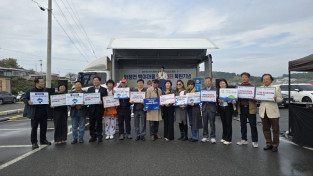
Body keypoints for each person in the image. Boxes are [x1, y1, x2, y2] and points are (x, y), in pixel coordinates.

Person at [23, 77, 51, 149]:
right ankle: (34, 142)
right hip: (35, 111)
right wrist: (28, 102)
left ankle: (43, 140)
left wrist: (48, 101)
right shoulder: (30, 90)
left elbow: (48, 99)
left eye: (43, 82)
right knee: (34, 127)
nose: (43, 83)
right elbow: (24, 98)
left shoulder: (45, 90)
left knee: (44, 127)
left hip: (44, 111)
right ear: (37, 83)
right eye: (41, 82)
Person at [259, 74, 282, 152]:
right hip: (263, 111)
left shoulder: (276, 88)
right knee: (265, 129)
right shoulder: (260, 89)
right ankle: (268, 143)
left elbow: (280, 100)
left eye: (267, 79)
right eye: (264, 79)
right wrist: (256, 99)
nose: (265, 80)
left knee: (275, 129)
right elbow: (259, 100)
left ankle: (275, 145)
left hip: (273, 112)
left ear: (271, 80)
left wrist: (275, 99)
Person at [236, 72, 259, 148]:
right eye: (243, 77)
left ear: (249, 78)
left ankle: (255, 141)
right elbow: (235, 98)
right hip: (242, 108)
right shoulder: (238, 87)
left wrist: (255, 99)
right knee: (242, 125)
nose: (244, 78)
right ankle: (244, 139)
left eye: (246, 77)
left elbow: (257, 99)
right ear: (241, 78)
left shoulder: (253, 87)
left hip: (251, 108)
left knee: (253, 125)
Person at [87, 76, 108, 143]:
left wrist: (102, 101)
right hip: (91, 109)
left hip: (99, 109)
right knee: (91, 123)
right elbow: (87, 98)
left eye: (97, 80)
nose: (95, 81)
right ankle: (93, 136)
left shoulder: (104, 89)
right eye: (94, 80)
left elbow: (106, 98)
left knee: (99, 123)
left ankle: (99, 136)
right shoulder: (89, 89)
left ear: (100, 81)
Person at [218, 79, 236, 145]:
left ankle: (229, 139)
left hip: (228, 108)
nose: (222, 85)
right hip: (221, 108)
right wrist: (218, 100)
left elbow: (233, 99)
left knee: (228, 123)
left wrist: (233, 101)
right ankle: (224, 137)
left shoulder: (230, 91)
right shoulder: (219, 91)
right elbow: (218, 99)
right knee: (223, 123)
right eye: (220, 84)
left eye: (223, 83)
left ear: (226, 84)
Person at [201, 77, 217, 144]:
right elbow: (200, 99)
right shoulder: (202, 90)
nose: (207, 82)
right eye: (206, 81)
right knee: (204, 123)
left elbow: (217, 98)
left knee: (212, 123)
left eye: (208, 81)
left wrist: (216, 97)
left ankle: (213, 137)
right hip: (204, 108)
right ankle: (205, 136)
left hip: (212, 108)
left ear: (211, 82)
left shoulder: (215, 89)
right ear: (204, 82)